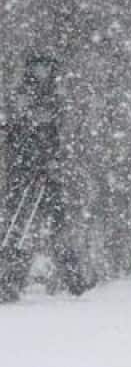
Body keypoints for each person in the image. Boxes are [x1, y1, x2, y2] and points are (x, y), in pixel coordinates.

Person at [0, 55, 94, 303]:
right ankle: (7, 282)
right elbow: (16, 132)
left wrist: (54, 160)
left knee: (57, 225)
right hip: (23, 174)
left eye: (47, 68)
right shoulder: (21, 95)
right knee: (16, 229)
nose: (43, 72)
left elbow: (58, 134)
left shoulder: (54, 96)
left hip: (48, 173)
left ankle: (74, 281)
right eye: (38, 67)